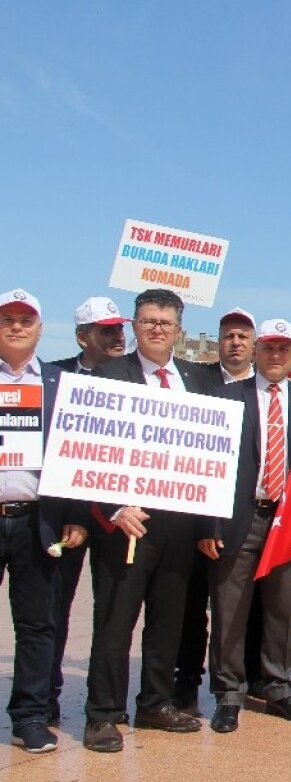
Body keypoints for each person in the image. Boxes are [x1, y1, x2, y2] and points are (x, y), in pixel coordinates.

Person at [83, 289, 221, 753]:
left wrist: (207, 524)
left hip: (181, 523)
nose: (156, 328)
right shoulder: (108, 375)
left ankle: (154, 703)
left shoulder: (199, 380)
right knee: (116, 621)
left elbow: (213, 455)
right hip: (128, 522)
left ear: (178, 329)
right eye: (147, 321)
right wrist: (114, 507)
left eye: (164, 321)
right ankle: (103, 714)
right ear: (134, 327)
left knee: (169, 621)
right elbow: (87, 450)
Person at [201, 319, 291, 734]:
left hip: (287, 523)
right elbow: (211, 464)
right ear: (257, 351)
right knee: (229, 609)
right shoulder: (227, 396)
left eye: (284, 349)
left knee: (283, 608)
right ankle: (228, 695)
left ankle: (279, 687)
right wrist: (210, 524)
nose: (276, 356)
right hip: (238, 520)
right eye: (269, 348)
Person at [0, 288, 88, 753]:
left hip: (38, 520)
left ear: (39, 329)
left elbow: (74, 454)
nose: (16, 326)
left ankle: (30, 717)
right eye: (7, 319)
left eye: (25, 320)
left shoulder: (58, 383)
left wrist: (74, 515)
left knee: (38, 625)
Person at [46, 295, 127, 724]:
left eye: (120, 329)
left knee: (112, 615)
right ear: (83, 336)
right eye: (107, 330)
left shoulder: (135, 378)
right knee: (52, 612)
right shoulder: (53, 378)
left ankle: (105, 704)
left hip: (118, 519)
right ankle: (45, 697)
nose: (118, 336)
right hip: (66, 518)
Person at [175, 305, 258, 708]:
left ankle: (253, 678)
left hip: (250, 517)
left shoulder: (269, 388)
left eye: (243, 336)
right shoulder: (195, 381)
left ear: (255, 344)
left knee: (249, 604)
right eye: (229, 335)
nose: (236, 342)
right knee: (192, 605)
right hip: (198, 516)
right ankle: (187, 681)